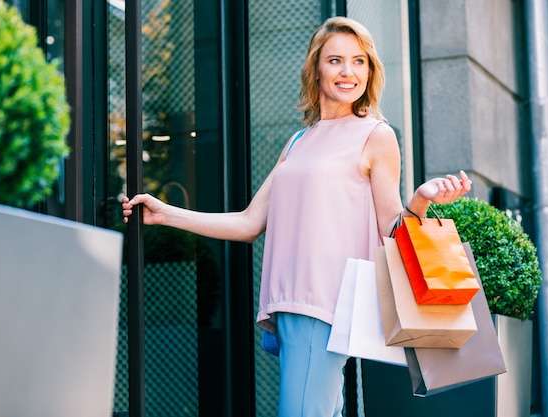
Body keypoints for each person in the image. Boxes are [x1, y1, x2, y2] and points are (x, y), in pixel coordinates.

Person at [122, 16, 471, 417]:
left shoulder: (375, 134)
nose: (348, 72)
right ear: (316, 69)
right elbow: (249, 222)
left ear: (371, 70)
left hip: (324, 303)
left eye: (359, 61)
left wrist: (421, 200)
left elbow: (391, 229)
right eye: (336, 60)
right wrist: (167, 214)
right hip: (289, 303)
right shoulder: (298, 141)